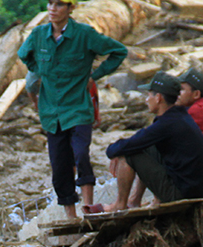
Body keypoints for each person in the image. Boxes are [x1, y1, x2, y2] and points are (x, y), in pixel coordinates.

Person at [19, 0, 127, 219]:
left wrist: (93, 76)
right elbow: (24, 54)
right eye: (50, 3)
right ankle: (71, 216)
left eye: (59, 4)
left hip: (78, 108)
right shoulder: (39, 35)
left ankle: (88, 208)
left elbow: (118, 51)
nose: (53, 9)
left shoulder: (84, 34)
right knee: (59, 165)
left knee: (80, 154)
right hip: (52, 113)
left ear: (70, 9)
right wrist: (42, 72)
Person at [103, 71, 203, 213]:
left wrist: (114, 151)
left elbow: (128, 145)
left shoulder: (167, 123)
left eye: (149, 95)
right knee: (143, 147)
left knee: (128, 154)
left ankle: (120, 204)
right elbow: (140, 140)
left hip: (181, 195)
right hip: (192, 189)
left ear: (158, 98)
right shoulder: (179, 116)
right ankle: (134, 201)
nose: (147, 100)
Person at [127, 68, 203, 207]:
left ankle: (140, 200)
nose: (176, 94)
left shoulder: (196, 112)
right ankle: (138, 200)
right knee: (154, 145)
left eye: (181, 90)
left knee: (153, 147)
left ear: (196, 94)